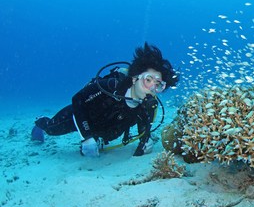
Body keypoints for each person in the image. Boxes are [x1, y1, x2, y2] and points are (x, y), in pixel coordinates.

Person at [33, 43, 178, 157]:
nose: (152, 87)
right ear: (135, 78)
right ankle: (40, 122)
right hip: (80, 117)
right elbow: (77, 99)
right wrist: (87, 137)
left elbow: (144, 126)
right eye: (148, 80)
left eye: (158, 85)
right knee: (52, 129)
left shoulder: (147, 106)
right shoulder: (110, 86)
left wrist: (146, 141)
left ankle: (97, 140)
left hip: (105, 131)